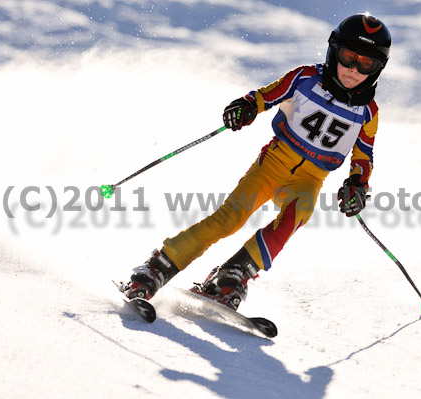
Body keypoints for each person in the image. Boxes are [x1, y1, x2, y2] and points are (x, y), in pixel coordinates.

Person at [120, 14, 392, 311]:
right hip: (272, 164)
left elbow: (364, 154)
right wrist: (246, 106)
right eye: (348, 57)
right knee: (230, 218)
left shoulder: (368, 112)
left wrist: (357, 185)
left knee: (299, 212)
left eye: (365, 64)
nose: (353, 69)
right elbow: (267, 95)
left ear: (378, 69)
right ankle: (158, 267)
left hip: (309, 180)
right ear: (333, 51)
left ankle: (233, 274)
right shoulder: (305, 79)